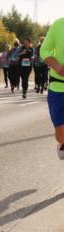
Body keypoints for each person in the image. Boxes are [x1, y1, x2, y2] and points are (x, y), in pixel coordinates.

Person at [39, 17, 64, 159]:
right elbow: (45, 50)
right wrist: (57, 66)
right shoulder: (59, 25)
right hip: (59, 87)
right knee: (61, 133)